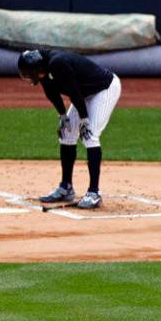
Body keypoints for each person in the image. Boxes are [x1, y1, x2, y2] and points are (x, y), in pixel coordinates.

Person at [18, 49, 122, 209]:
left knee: (90, 135)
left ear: (38, 68)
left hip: (104, 89)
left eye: (31, 73)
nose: (30, 77)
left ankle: (94, 193)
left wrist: (84, 119)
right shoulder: (44, 67)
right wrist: (62, 116)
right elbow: (51, 92)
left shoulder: (57, 63)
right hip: (85, 94)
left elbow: (74, 92)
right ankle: (66, 187)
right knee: (67, 133)